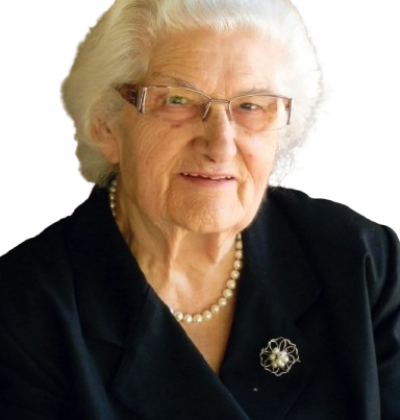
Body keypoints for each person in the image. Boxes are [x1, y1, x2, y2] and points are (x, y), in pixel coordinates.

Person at [1, 0, 399, 419]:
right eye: (178, 100)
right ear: (106, 124)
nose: (220, 144)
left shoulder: (360, 260)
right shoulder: (26, 310)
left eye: (250, 106)